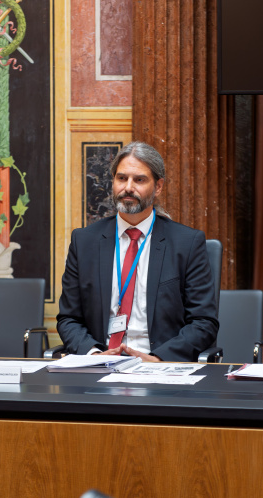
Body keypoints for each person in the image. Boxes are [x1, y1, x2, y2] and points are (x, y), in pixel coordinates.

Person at [56, 141, 219, 363]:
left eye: (139, 180)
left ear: (158, 186)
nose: (128, 187)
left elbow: (203, 322)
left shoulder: (187, 243)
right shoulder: (84, 241)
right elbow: (69, 318)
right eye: (121, 178)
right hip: (99, 365)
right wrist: (94, 354)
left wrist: (159, 358)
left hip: (158, 367)